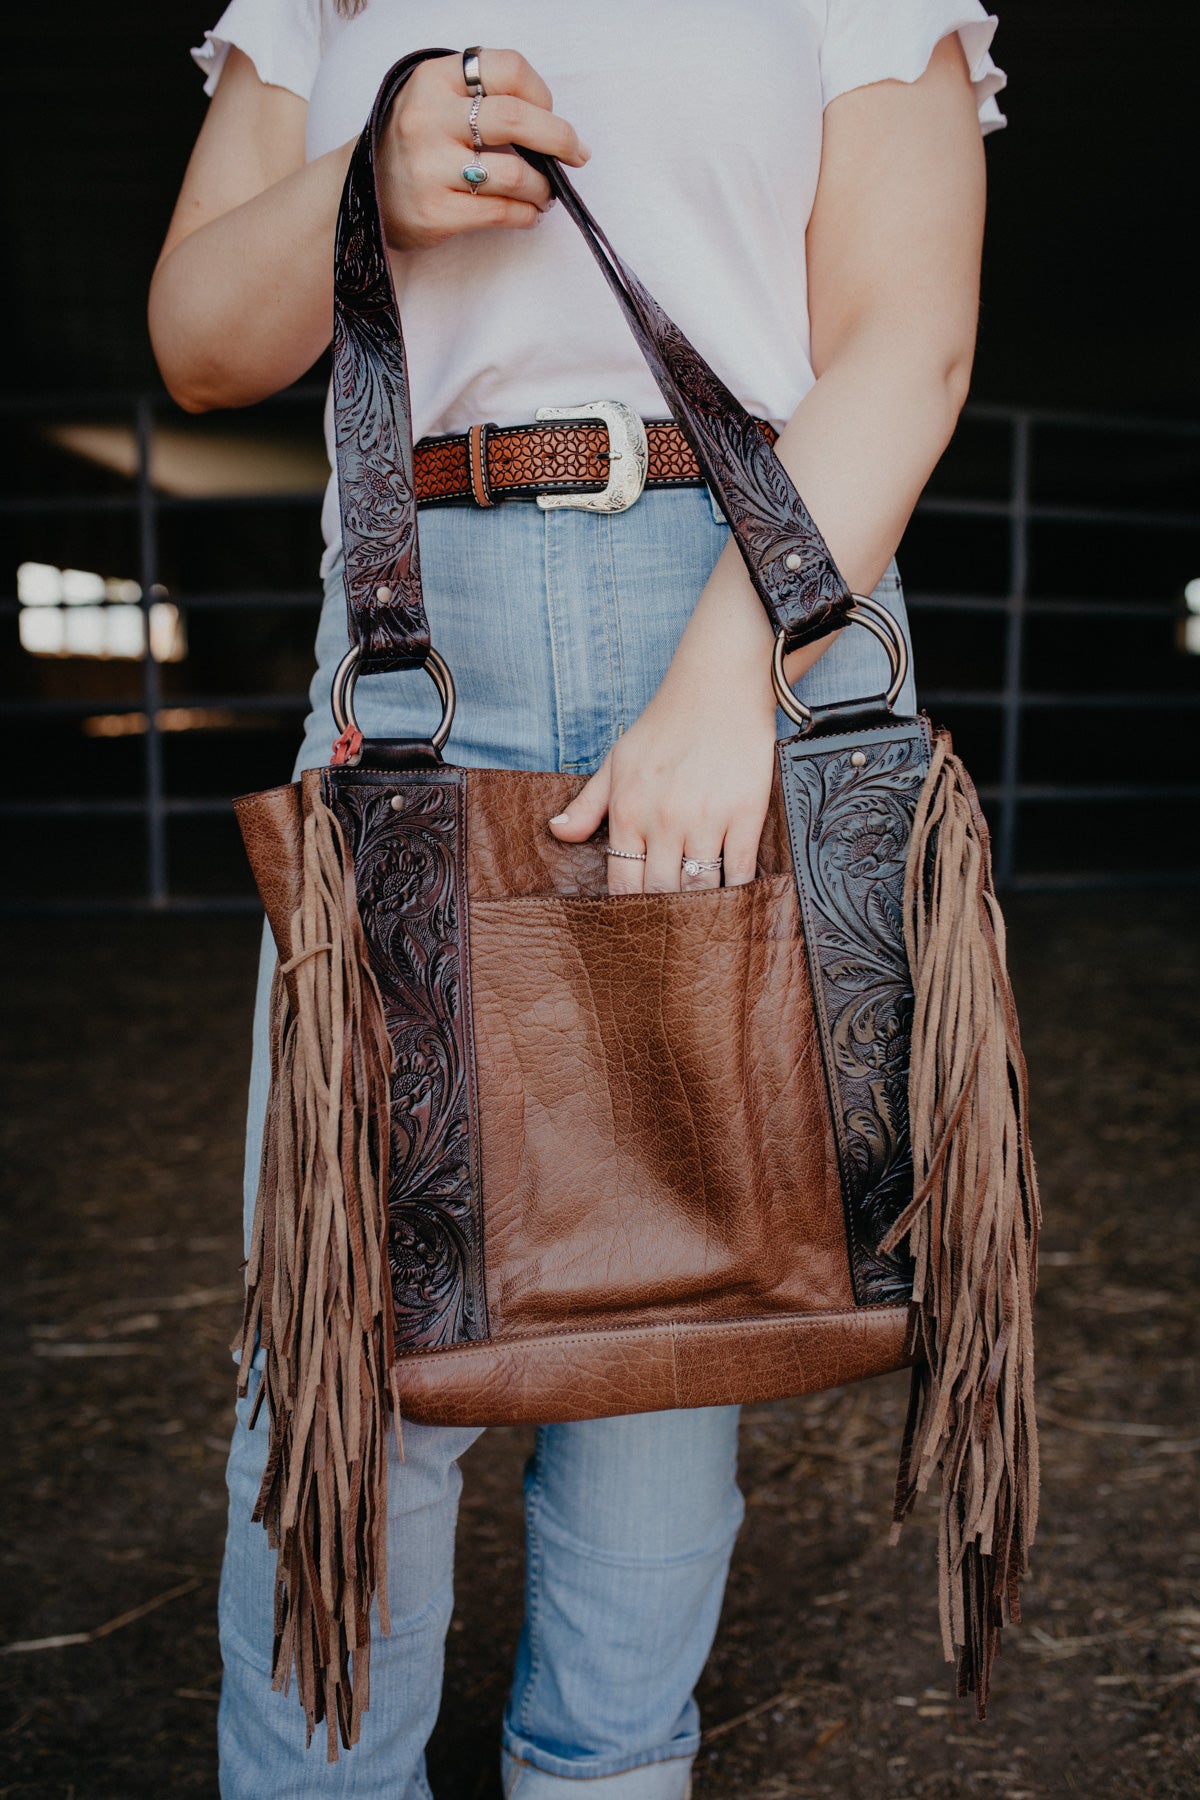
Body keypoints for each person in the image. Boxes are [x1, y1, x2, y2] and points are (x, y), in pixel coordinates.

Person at [149, 5, 1006, 1795]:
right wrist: (363, 180)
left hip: (746, 580)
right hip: (417, 616)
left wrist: (731, 686)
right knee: (353, 1345)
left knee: (668, 1334)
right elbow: (200, 345)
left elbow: (906, 341)